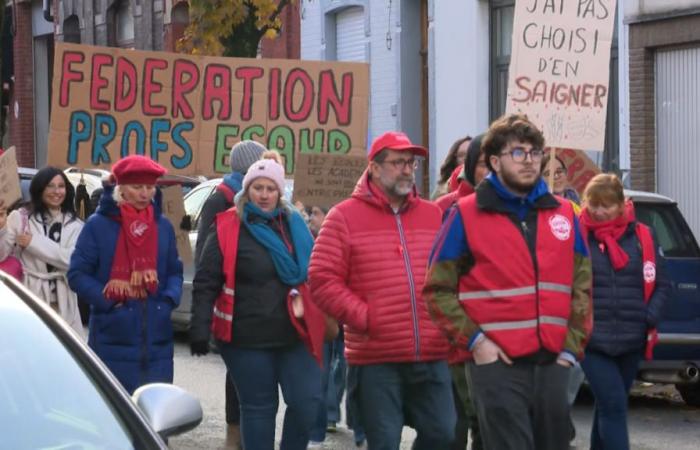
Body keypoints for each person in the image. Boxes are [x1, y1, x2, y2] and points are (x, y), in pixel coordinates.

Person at [423, 113, 592, 450]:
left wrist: (571, 351)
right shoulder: (465, 214)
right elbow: (437, 290)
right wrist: (477, 343)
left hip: (554, 362)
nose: (528, 160)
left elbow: (583, 289)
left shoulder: (564, 214)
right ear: (496, 162)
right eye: (518, 152)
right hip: (497, 364)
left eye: (534, 152)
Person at [309, 131, 456, 450]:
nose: (406, 169)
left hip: (431, 352)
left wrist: (446, 321)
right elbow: (322, 279)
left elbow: (451, 273)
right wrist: (366, 317)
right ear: (374, 168)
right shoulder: (344, 216)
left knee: (444, 434)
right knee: (384, 442)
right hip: (377, 358)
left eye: (411, 163)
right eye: (398, 162)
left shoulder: (432, 214)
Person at [190, 159, 325, 450]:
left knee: (307, 402)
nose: (264, 195)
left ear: (280, 193)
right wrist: (199, 326)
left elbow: (316, 273)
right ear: (247, 191)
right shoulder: (228, 225)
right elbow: (206, 280)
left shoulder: (295, 226)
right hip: (246, 338)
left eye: (270, 188)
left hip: (294, 333)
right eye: (257, 188)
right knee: (259, 408)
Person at [68, 155, 183, 393]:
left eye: (150, 187)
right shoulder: (97, 225)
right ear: (121, 188)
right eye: (137, 187)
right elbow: (77, 274)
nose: (144, 193)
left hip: (157, 340)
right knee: (114, 415)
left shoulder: (163, 226)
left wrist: (168, 300)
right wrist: (109, 301)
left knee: (155, 416)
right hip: (112, 335)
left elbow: (174, 270)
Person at [579, 173, 669, 450]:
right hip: (592, 340)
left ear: (621, 205)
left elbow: (662, 284)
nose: (598, 210)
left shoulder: (643, 236)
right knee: (615, 406)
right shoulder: (579, 236)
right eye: (593, 204)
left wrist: (648, 317)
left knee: (606, 406)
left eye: (606, 204)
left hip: (632, 337)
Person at [193, 139, 265, 445]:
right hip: (230, 304)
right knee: (237, 377)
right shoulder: (220, 199)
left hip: (257, 306)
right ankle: (233, 436)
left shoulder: (261, 199)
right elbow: (205, 258)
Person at [0, 167, 84, 334]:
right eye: (50, 186)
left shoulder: (76, 225)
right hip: (30, 296)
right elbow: (2, 254)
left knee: (66, 353)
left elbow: (73, 260)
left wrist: (33, 243)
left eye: (61, 186)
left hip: (65, 300)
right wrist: (2, 228)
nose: (56, 191)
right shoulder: (20, 217)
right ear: (39, 189)